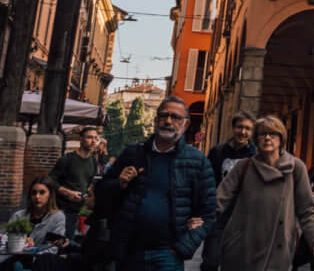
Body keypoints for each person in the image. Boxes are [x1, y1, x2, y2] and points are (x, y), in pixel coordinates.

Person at [96, 95, 216, 271]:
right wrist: (119, 184)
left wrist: (184, 247)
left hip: (168, 255)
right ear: (155, 120)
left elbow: (209, 212)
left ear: (186, 124)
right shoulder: (133, 153)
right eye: (163, 115)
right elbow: (100, 193)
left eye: (175, 117)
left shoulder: (197, 161)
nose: (168, 121)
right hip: (129, 252)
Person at [214, 114, 314, 271]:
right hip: (241, 249)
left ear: (281, 138)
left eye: (272, 134)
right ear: (256, 139)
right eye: (262, 134)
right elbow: (219, 200)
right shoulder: (244, 167)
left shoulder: (295, 168)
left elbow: (307, 210)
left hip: (277, 250)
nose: (267, 138)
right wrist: (198, 220)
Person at [201, 113, 257, 271]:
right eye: (240, 127)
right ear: (233, 128)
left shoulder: (256, 156)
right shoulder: (217, 152)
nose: (243, 132)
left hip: (244, 217)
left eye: (248, 128)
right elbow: (207, 181)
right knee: (210, 261)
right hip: (218, 214)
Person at [49, 126, 101, 221]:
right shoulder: (67, 159)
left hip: (79, 210)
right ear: (81, 139)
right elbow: (50, 180)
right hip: (61, 208)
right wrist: (66, 192)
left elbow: (87, 185)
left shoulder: (94, 161)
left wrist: (89, 196)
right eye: (89, 137)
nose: (93, 141)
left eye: (95, 138)